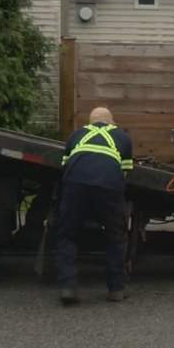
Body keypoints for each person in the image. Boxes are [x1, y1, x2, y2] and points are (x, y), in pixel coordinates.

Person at [54, 107, 133, 305]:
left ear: (90, 122)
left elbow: (65, 166)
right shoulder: (122, 137)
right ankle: (116, 289)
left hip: (75, 184)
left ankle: (68, 287)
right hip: (108, 185)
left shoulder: (75, 135)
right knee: (115, 235)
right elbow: (124, 174)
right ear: (111, 122)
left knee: (67, 234)